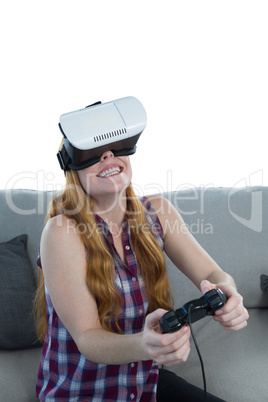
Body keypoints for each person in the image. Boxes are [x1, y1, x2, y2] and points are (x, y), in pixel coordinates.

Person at [34, 133, 248, 401]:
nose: (107, 155)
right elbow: (88, 338)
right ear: (70, 165)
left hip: (145, 383)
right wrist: (145, 345)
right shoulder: (61, 232)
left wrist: (227, 290)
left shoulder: (158, 212)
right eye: (92, 151)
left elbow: (212, 275)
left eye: (115, 146)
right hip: (85, 392)